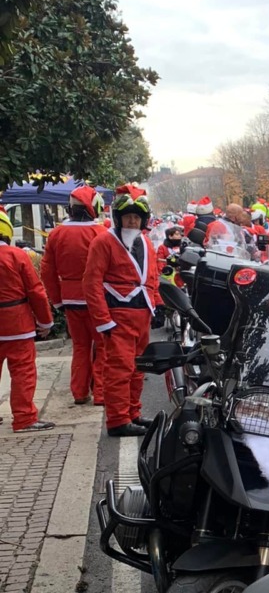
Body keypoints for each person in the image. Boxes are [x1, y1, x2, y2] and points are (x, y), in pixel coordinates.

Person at [83, 187, 160, 438]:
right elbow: (91, 282)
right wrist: (104, 321)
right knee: (119, 370)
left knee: (139, 368)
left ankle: (133, 414)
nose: (132, 220)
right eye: (127, 216)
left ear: (144, 220)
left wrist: (156, 305)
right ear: (118, 217)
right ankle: (117, 420)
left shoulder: (146, 242)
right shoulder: (103, 242)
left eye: (137, 217)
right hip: (118, 315)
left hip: (142, 315)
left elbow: (152, 277)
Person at [40, 185, 106, 405]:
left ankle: (79, 392)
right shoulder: (100, 233)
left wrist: (57, 300)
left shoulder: (57, 233)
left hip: (69, 298)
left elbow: (47, 271)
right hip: (97, 298)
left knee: (80, 347)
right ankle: (102, 393)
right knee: (103, 346)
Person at [0, 209, 55, 431]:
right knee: (23, 371)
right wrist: (45, 322)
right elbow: (36, 291)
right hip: (17, 324)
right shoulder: (16, 255)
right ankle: (24, 418)